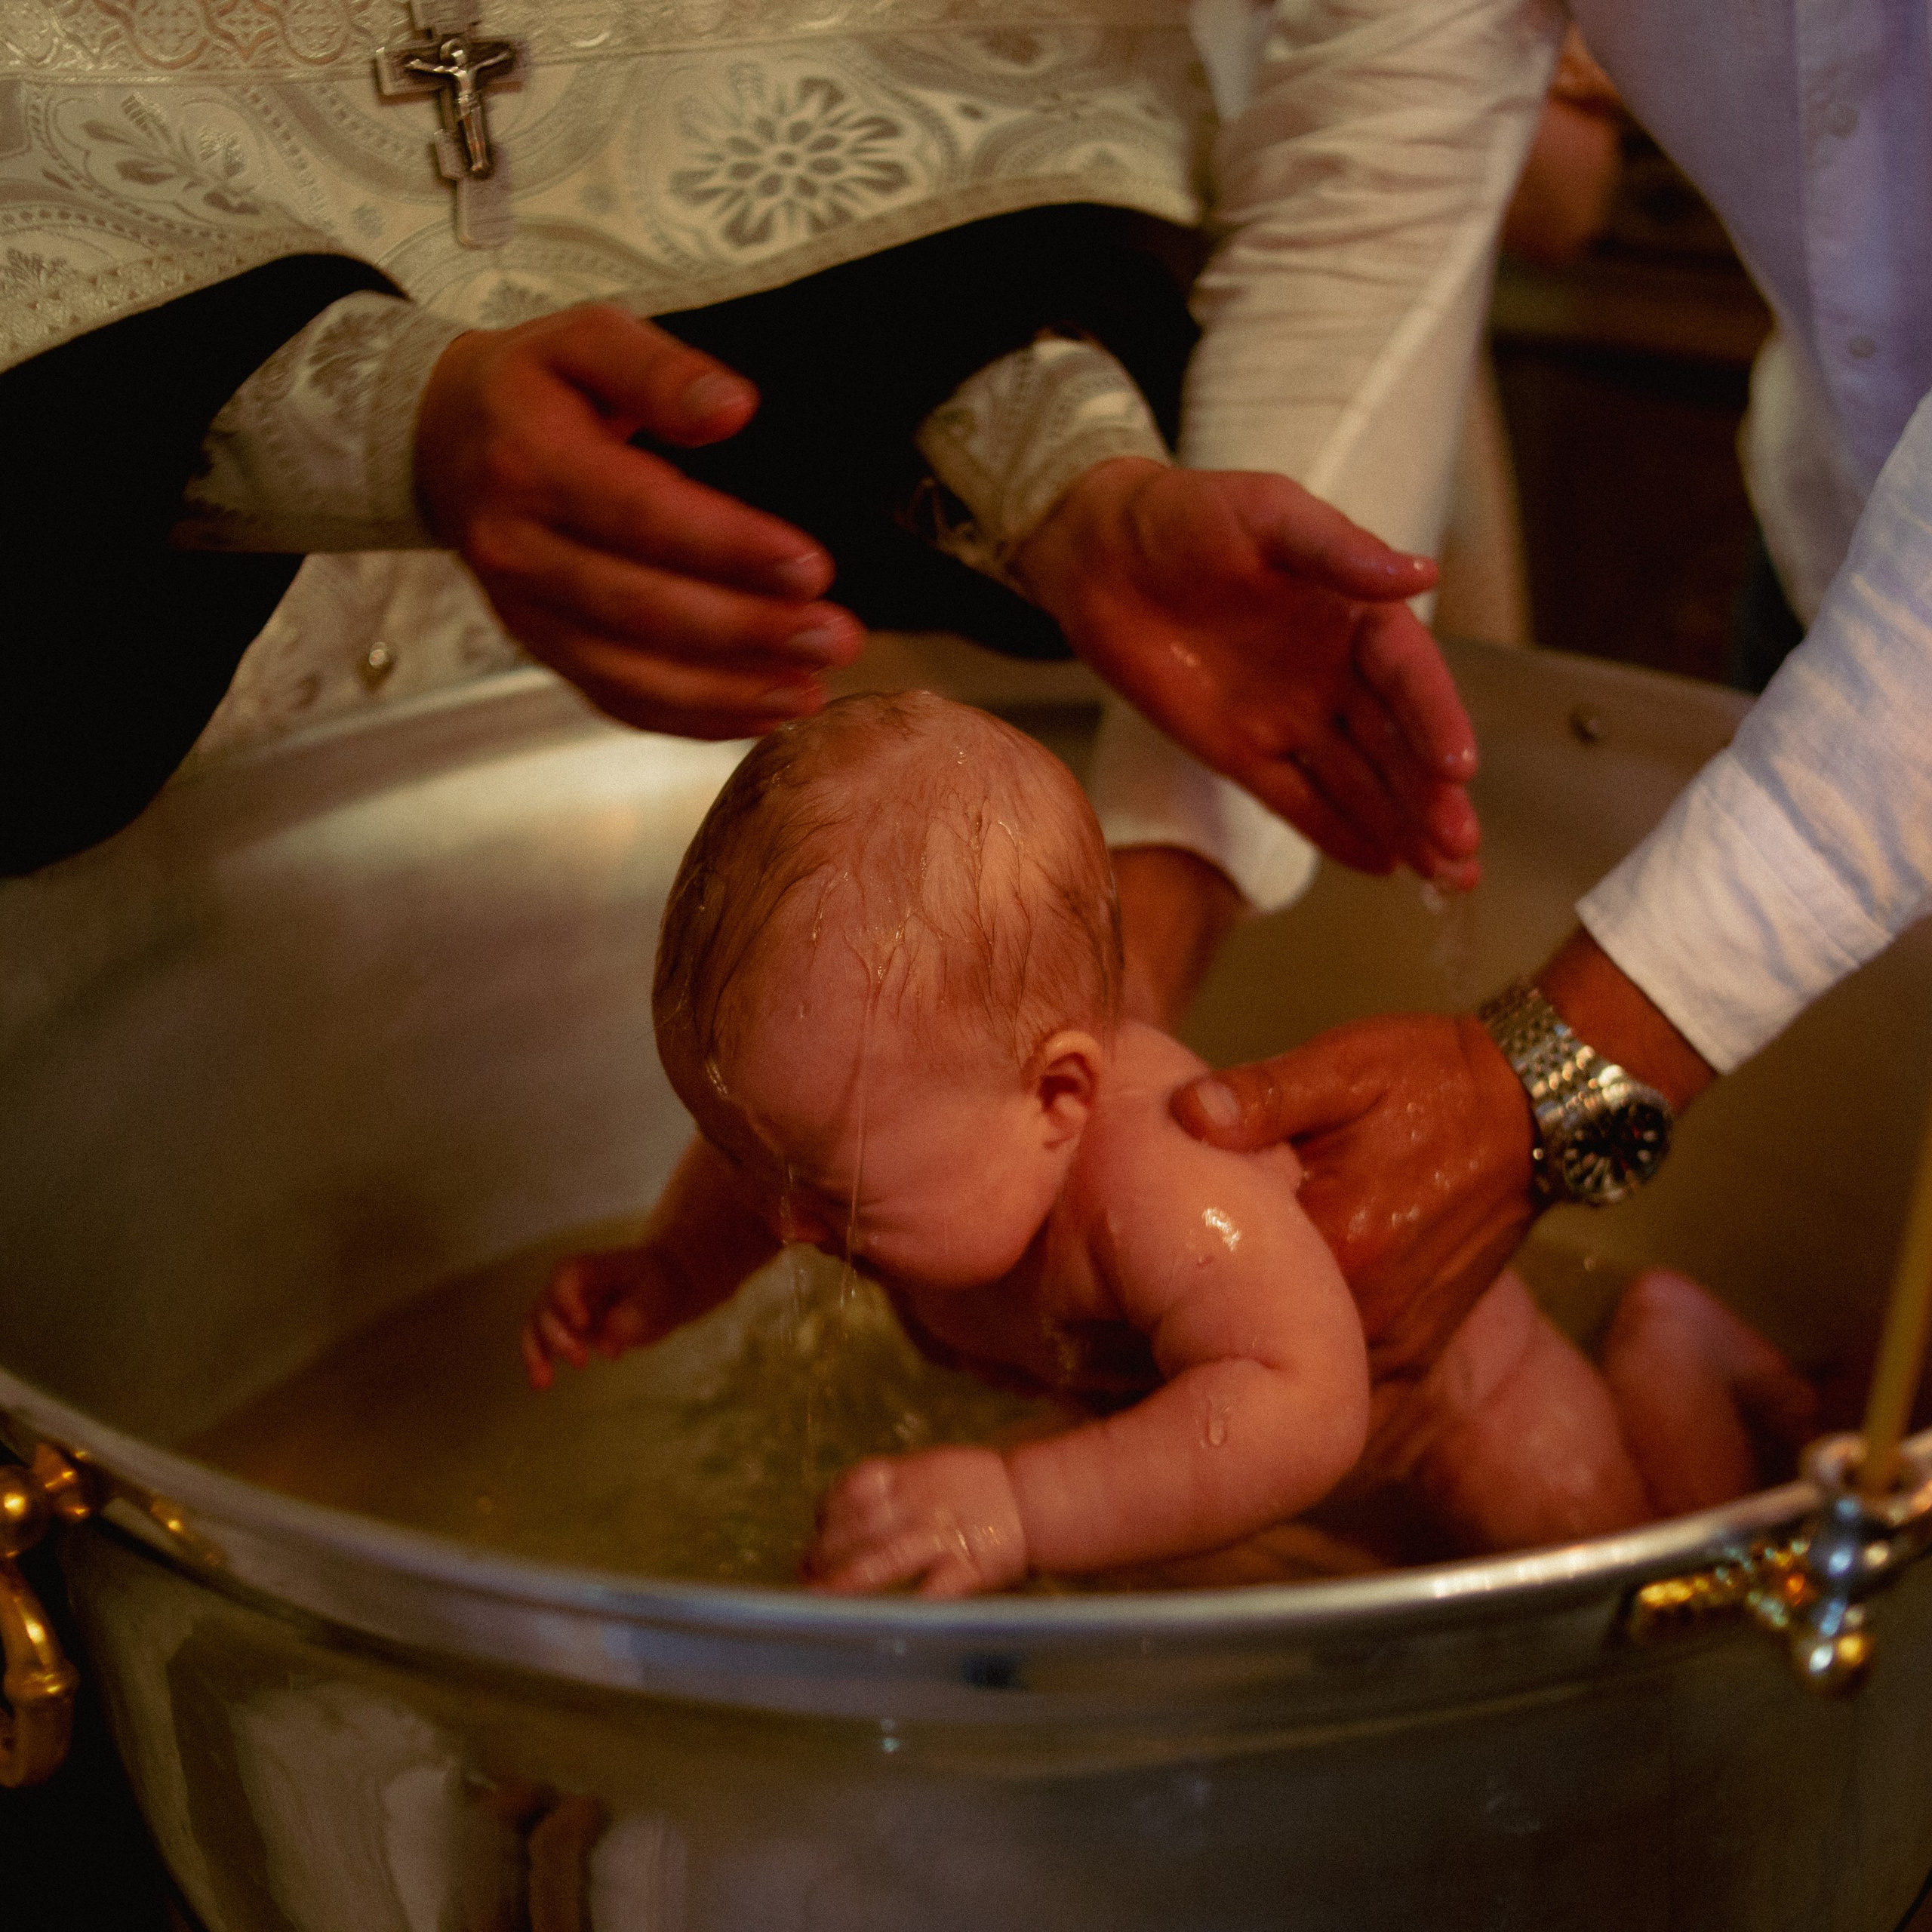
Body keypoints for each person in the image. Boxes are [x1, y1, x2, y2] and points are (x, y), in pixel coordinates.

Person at [0, 0, 1493, 913]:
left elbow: (876, 97)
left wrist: (1063, 475)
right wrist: (382, 419)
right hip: (139, 671)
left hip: (683, 704)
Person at [1129, 0, 1932, 1457]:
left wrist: (1560, 1076)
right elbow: (1385, 154)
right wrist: (1134, 941)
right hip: (1849, 534)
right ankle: (1755, 1366)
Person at [520, 693, 1815, 1590]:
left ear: (1060, 1098)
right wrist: (675, 1270)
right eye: (751, 1165)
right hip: (1226, 1444)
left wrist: (1018, 1509)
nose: (784, 1224)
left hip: (1456, 1409)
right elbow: (770, 1180)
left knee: (1632, 1562)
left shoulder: (1157, 1179)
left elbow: (1302, 1413)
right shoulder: (866, 1138)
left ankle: (1672, 1348)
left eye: (827, 1193)